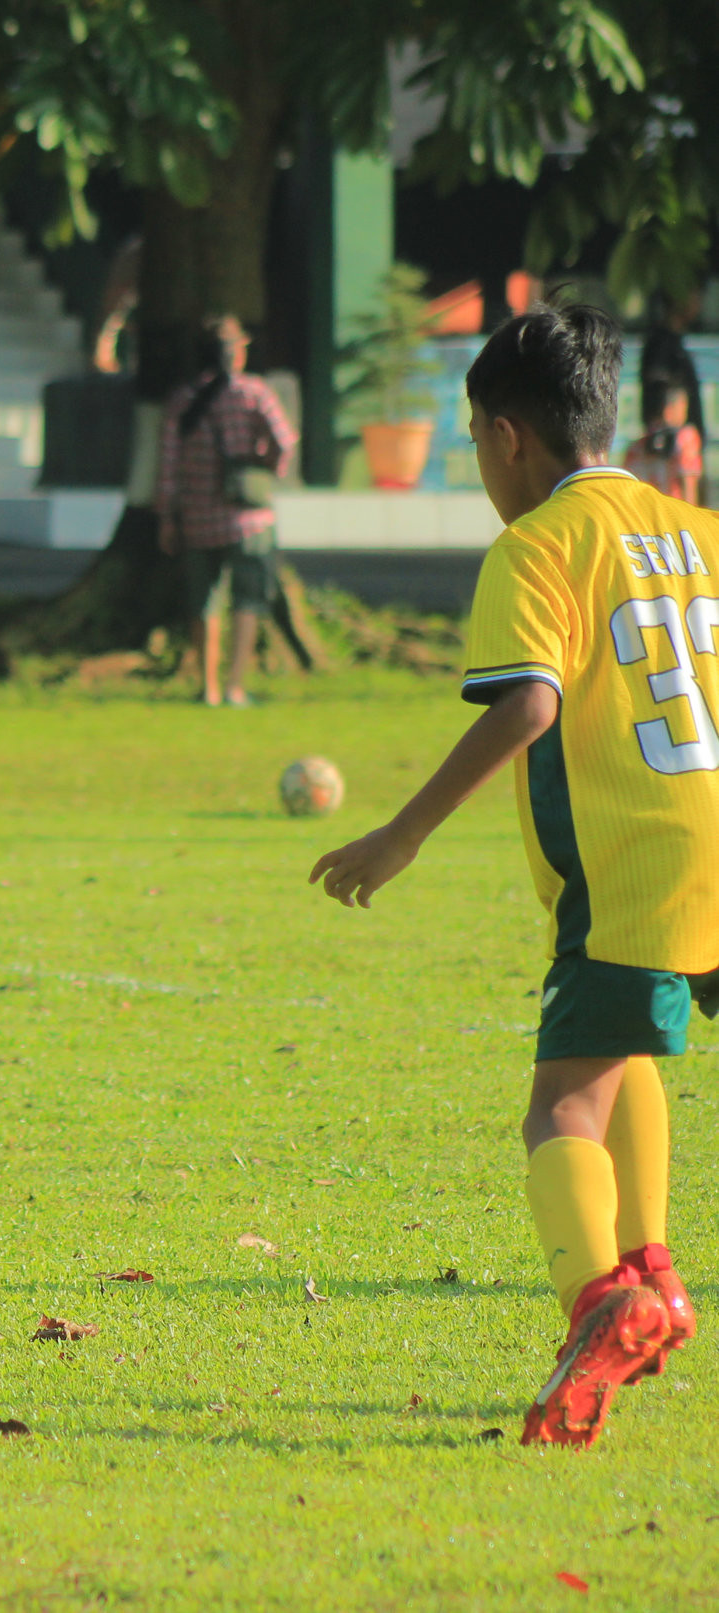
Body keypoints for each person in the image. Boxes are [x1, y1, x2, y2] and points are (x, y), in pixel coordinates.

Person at [309, 303, 700, 1449]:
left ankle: (600, 1300)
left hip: (631, 857)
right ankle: (654, 1270)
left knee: (559, 1104)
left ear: (505, 435)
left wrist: (403, 832)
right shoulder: (696, 530)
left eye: (473, 439)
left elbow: (529, 703)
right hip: (711, 839)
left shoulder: (535, 546)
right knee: (626, 1050)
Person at [154, 314, 297, 707]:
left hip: (197, 518)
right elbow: (285, 441)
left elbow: (168, 464)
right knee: (247, 600)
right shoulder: (255, 393)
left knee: (204, 602)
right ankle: (235, 685)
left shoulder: (182, 400)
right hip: (249, 517)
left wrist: (166, 516)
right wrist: (264, 466)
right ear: (238, 352)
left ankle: (208, 687)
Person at [623, 375, 704, 507]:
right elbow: (689, 484)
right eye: (683, 406)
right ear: (669, 410)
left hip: (645, 513)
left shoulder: (636, 447)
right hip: (673, 513)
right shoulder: (686, 438)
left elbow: (627, 488)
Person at [641, 287, 704, 440]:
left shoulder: (675, 343)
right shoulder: (660, 345)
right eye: (694, 298)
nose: (698, 305)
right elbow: (657, 387)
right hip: (671, 439)